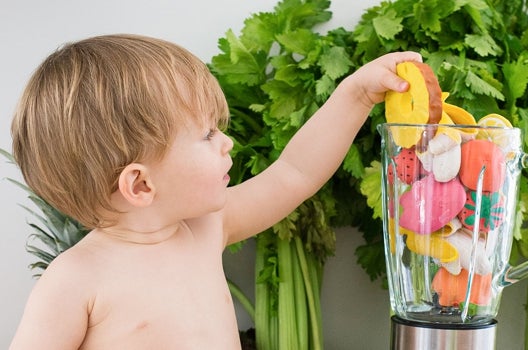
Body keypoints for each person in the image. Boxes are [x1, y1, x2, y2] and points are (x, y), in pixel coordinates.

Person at [9, 33, 421, 349]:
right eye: (207, 134)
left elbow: (294, 173)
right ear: (140, 184)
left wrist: (355, 95)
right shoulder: (74, 281)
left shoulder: (205, 229)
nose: (227, 142)